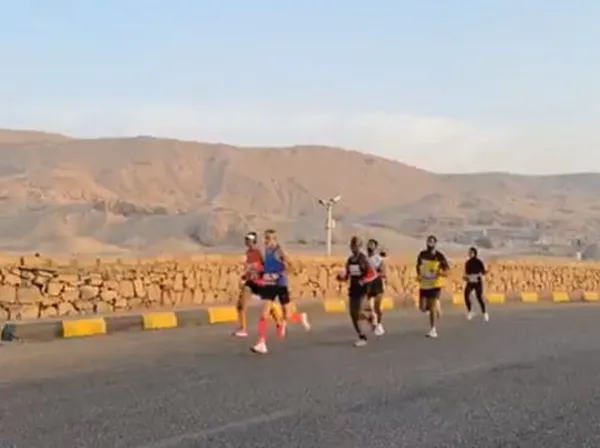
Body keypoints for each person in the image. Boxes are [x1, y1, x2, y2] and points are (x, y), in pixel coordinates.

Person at [251, 229, 311, 354]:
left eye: (268, 238)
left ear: (274, 239)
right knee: (264, 314)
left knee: (287, 314)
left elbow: (290, 265)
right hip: (270, 285)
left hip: (281, 285)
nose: (266, 241)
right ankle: (261, 342)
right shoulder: (266, 251)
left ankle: (300, 317)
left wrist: (283, 271)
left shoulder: (279, 251)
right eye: (265, 238)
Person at [232, 232, 281, 338]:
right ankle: (243, 329)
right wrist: (245, 276)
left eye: (248, 240)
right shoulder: (247, 253)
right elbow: (248, 268)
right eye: (246, 239)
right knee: (241, 305)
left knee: (268, 306)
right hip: (250, 282)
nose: (246, 242)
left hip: (260, 282)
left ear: (253, 241)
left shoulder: (259, 252)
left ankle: (278, 322)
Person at [337, 236, 379, 347]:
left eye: (356, 246)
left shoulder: (364, 259)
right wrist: (341, 277)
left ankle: (372, 318)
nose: (353, 248)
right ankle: (361, 336)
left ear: (360, 247)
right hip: (353, 289)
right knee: (353, 314)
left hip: (363, 290)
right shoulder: (350, 260)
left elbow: (374, 274)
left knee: (360, 311)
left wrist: (364, 280)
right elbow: (347, 275)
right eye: (352, 246)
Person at [416, 235, 450, 338]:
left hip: (435, 284)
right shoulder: (422, 254)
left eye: (432, 241)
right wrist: (419, 275)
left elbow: (447, 271)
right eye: (428, 241)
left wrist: (439, 273)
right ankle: (436, 307)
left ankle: (433, 330)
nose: (430, 243)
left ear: (435, 243)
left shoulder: (439, 256)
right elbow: (418, 266)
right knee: (422, 308)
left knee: (431, 308)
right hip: (424, 284)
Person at [463, 246, 489, 322]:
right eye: (469, 252)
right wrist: (465, 278)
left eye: (471, 252)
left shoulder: (479, 262)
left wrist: (483, 273)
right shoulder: (467, 263)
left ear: (475, 253)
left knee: (479, 297)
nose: (469, 254)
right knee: (466, 295)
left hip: (477, 282)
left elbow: (483, 272)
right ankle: (470, 311)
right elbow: (467, 273)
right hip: (470, 281)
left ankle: (484, 313)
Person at [366, 239, 386, 336]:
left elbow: (383, 272)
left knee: (377, 307)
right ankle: (373, 322)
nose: (370, 246)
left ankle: (379, 324)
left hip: (377, 284)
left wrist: (376, 274)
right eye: (369, 244)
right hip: (368, 285)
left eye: (372, 244)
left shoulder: (379, 259)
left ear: (375, 247)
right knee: (369, 307)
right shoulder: (364, 259)